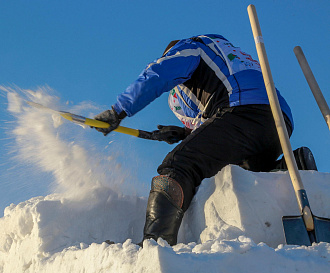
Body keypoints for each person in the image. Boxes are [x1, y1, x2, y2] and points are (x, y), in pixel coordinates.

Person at [94, 34, 317, 246]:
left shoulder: (189, 48)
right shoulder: (226, 55)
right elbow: (213, 132)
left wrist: (118, 111)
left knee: (178, 165)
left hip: (242, 110)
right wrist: (184, 133)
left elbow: (158, 74)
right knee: (243, 172)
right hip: (278, 123)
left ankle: (154, 244)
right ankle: (291, 165)